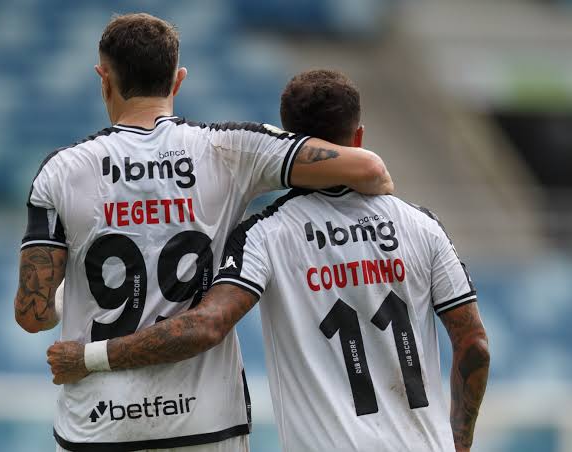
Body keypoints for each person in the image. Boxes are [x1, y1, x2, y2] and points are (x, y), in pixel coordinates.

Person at [48, 70, 490, 452]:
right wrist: (459, 442)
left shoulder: (266, 234)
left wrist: (90, 357)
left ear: (290, 141)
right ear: (357, 138)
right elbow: (474, 345)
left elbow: (206, 326)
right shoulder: (421, 226)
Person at [15, 12, 394, 452]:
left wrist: (68, 295)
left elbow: (32, 315)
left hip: (99, 425)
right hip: (206, 424)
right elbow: (369, 169)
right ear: (178, 80)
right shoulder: (230, 148)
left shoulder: (61, 171)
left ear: (104, 80)